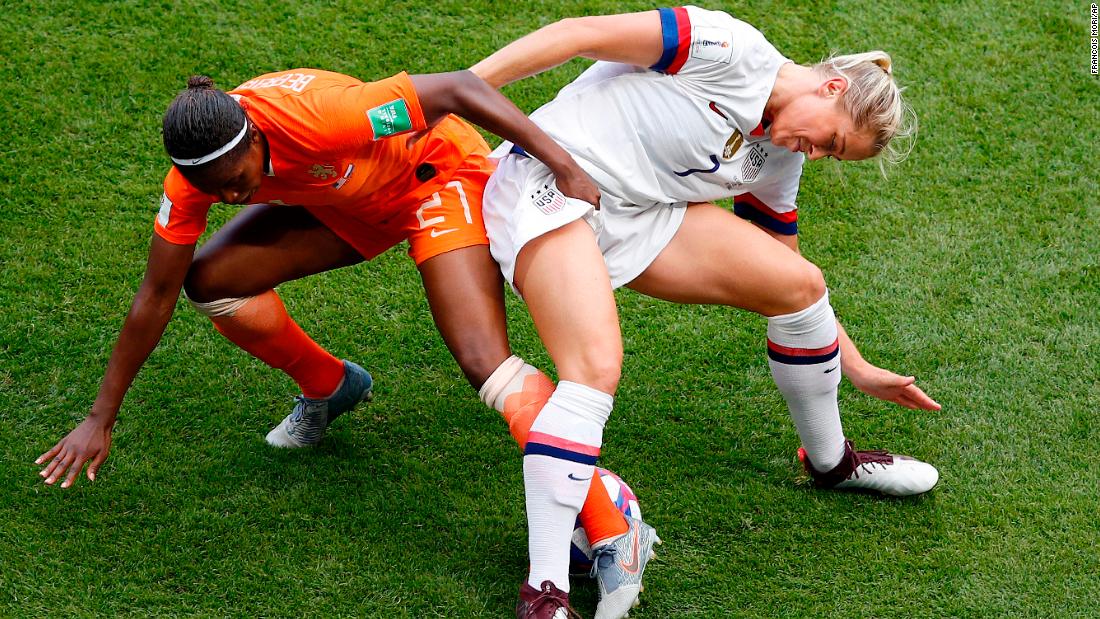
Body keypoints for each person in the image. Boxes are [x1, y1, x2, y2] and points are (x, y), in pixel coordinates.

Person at [33, 66, 649, 619]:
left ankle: (609, 517)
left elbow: (461, 88)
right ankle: (329, 387)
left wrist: (564, 167)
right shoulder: (196, 177)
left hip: (432, 178)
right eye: (213, 190)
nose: (227, 198)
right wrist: (99, 417)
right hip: (346, 202)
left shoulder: (326, 119)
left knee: (483, 361)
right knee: (210, 282)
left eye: (237, 181)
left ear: (253, 137)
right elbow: (155, 295)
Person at [470, 6, 942, 617]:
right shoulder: (728, 48)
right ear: (833, 87)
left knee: (798, 285)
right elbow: (576, 35)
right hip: (552, 184)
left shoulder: (779, 154)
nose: (817, 154)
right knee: (594, 370)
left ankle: (832, 462)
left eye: (832, 156)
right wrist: (459, 93)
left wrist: (856, 366)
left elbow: (788, 265)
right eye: (830, 141)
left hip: (638, 215)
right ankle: (546, 590)